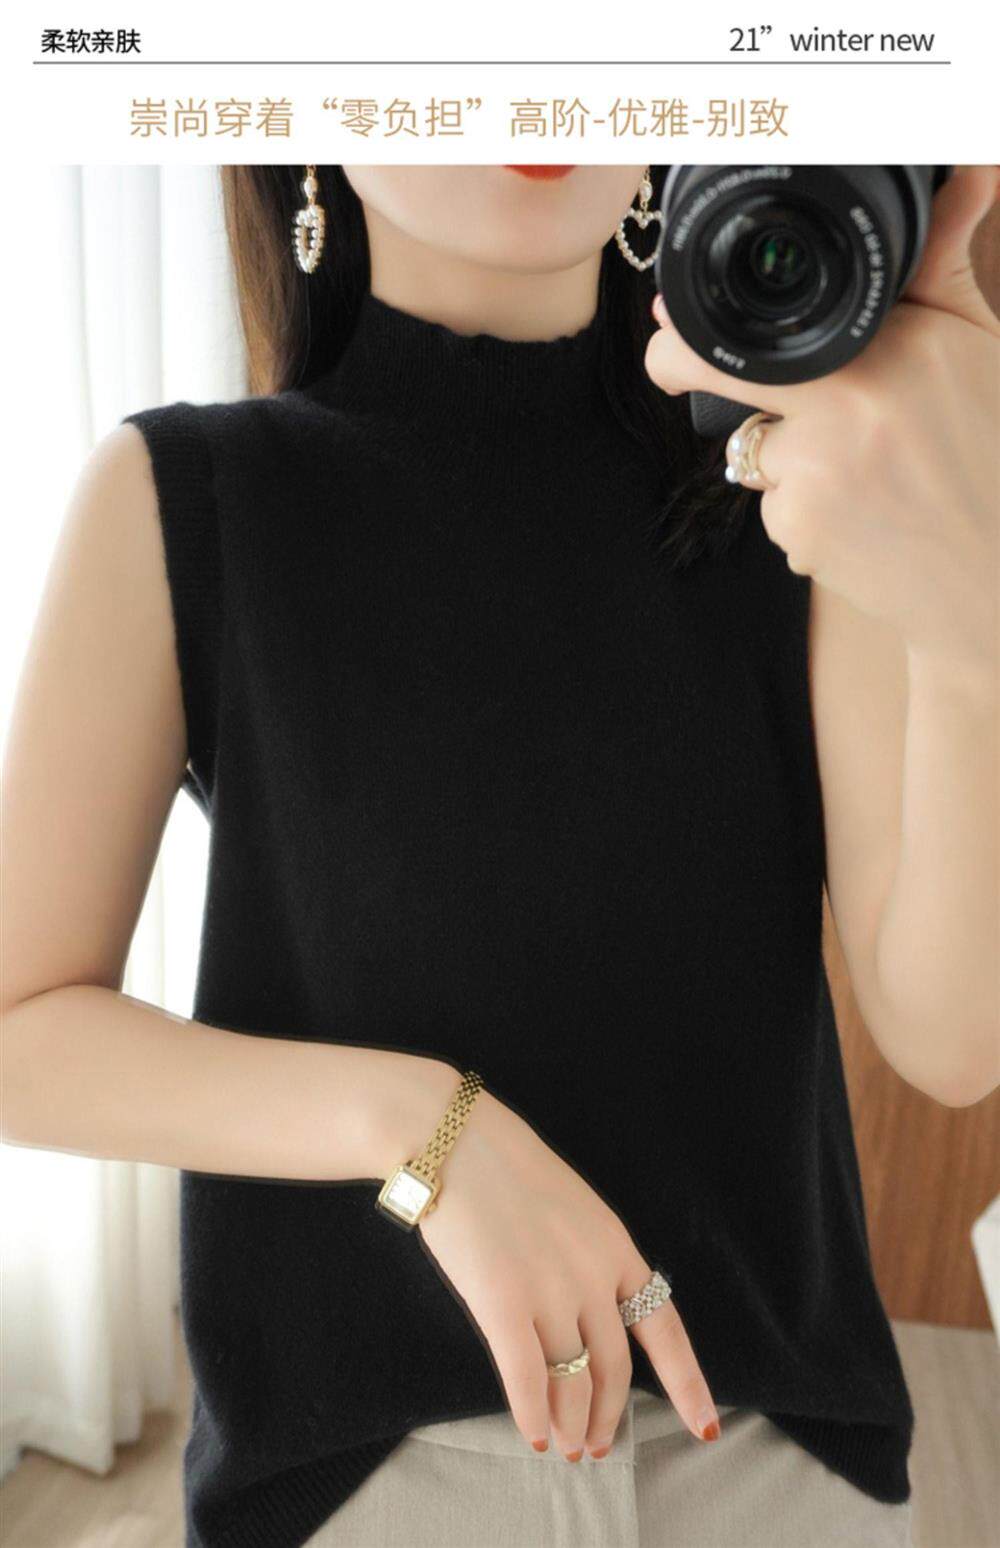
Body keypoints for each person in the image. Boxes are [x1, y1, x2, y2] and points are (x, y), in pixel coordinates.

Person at [2, 163, 997, 1548]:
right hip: (364, 1486)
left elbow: (953, 1042)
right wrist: (426, 1133)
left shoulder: (793, 484)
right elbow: (21, 1029)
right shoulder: (189, 494)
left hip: (771, 1467)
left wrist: (973, 614)